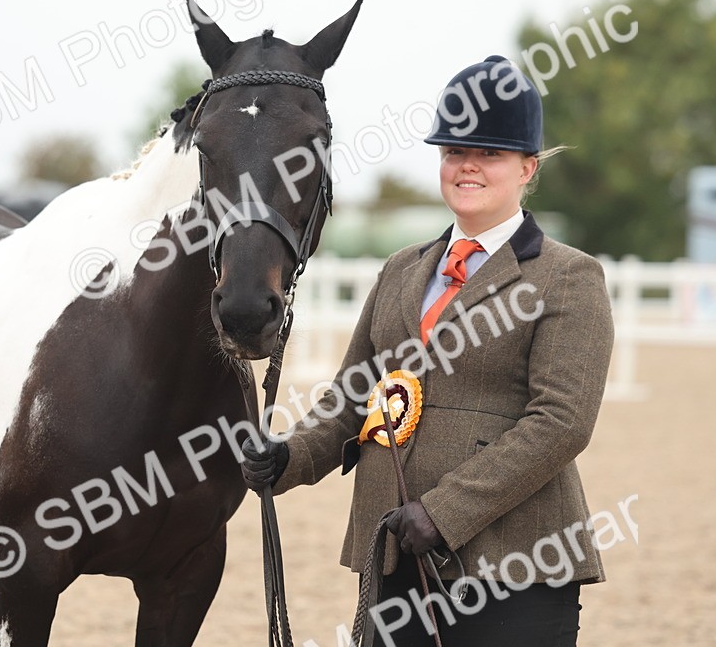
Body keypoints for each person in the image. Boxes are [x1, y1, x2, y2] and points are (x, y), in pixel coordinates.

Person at [241, 55, 615, 646]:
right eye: (454, 151)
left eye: (490, 153)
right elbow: (354, 395)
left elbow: (561, 422)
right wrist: (291, 457)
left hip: (513, 564)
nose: (468, 166)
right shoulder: (400, 270)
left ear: (527, 167)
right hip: (395, 550)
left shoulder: (567, 276)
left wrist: (445, 512)